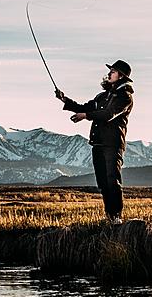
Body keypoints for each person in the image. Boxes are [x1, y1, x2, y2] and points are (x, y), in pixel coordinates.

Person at [55, 60, 134, 225]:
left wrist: (85, 116)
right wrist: (65, 100)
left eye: (113, 71)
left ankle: (117, 216)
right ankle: (110, 217)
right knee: (103, 182)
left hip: (113, 143)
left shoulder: (125, 96)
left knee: (113, 180)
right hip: (98, 143)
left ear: (121, 76)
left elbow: (108, 114)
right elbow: (85, 107)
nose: (109, 73)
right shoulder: (102, 96)